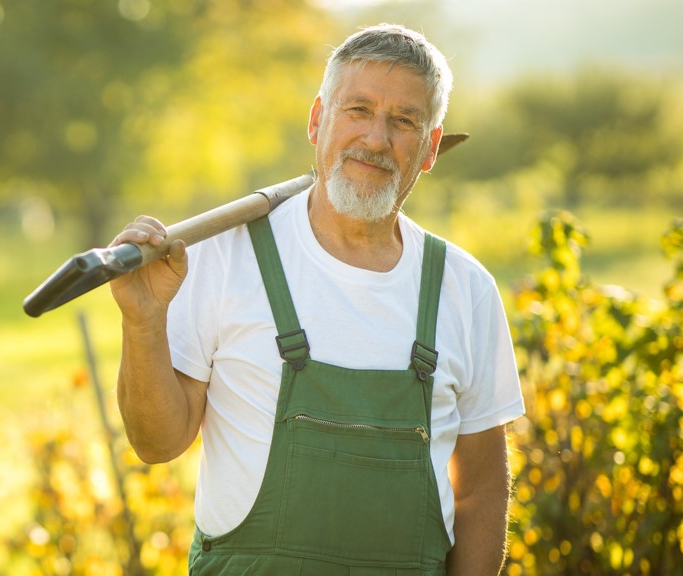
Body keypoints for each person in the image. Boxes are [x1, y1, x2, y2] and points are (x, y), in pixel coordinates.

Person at [108, 23, 525, 575]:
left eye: (403, 121)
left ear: (429, 149)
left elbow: (481, 492)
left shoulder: (465, 290)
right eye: (357, 110)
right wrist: (143, 321)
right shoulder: (227, 256)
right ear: (316, 120)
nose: (376, 139)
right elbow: (155, 444)